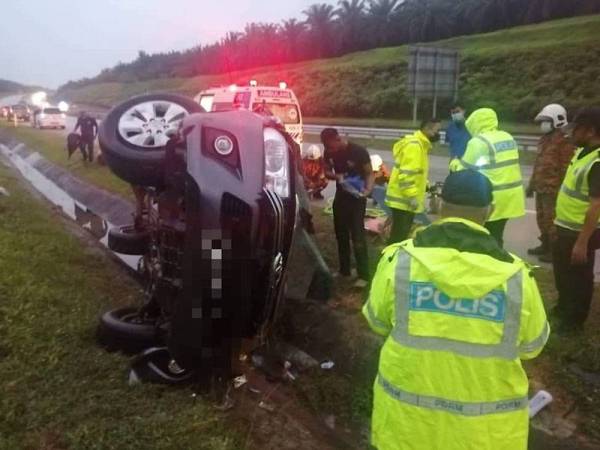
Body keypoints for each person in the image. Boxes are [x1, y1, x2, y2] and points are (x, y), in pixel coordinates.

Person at [363, 169, 549, 450]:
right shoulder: (517, 278)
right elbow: (532, 346)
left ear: (438, 205)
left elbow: (377, 321)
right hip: (486, 436)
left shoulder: (397, 262)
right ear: (491, 211)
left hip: (407, 430)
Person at [553, 107, 600, 333]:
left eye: (577, 129)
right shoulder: (582, 152)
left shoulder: (597, 162)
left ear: (590, 131)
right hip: (565, 226)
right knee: (562, 272)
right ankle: (562, 309)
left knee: (579, 279)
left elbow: (596, 204)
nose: (573, 133)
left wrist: (583, 242)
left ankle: (574, 322)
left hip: (580, 232)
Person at [454, 108, 525, 247]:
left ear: (475, 123)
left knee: (484, 236)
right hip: (511, 197)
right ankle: (497, 260)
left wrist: (455, 163)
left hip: (492, 198)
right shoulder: (507, 137)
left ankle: (488, 262)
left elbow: (464, 170)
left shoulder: (478, 142)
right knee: (497, 233)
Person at [321, 128, 374, 288]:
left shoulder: (359, 151)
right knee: (341, 234)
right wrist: (336, 176)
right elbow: (327, 171)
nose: (331, 151)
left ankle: (363, 274)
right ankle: (344, 270)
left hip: (357, 198)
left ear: (338, 139)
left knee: (357, 236)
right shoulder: (329, 151)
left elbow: (370, 173)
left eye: (333, 147)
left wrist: (367, 190)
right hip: (341, 197)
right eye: (328, 148)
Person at [526, 104, 575, 262]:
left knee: (552, 221)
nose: (543, 124)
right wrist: (531, 185)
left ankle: (555, 252)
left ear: (558, 121)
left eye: (546, 121)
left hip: (554, 190)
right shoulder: (545, 139)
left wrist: (562, 190)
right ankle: (545, 244)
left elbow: (566, 168)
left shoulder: (565, 142)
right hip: (541, 188)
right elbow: (539, 163)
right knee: (542, 219)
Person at [385, 118, 442, 244]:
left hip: (404, 199)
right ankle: (390, 259)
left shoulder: (420, 145)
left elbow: (416, 173)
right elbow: (406, 175)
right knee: (398, 238)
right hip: (404, 200)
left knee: (399, 235)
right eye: (437, 130)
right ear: (427, 128)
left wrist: (427, 185)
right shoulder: (415, 147)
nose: (438, 134)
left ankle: (391, 258)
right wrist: (412, 197)